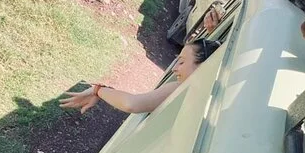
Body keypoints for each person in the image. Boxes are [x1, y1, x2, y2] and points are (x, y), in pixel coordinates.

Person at [59, 39, 222, 114]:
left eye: (182, 62)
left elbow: (132, 104)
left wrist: (97, 90)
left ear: (203, 65)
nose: (174, 69)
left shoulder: (183, 88)